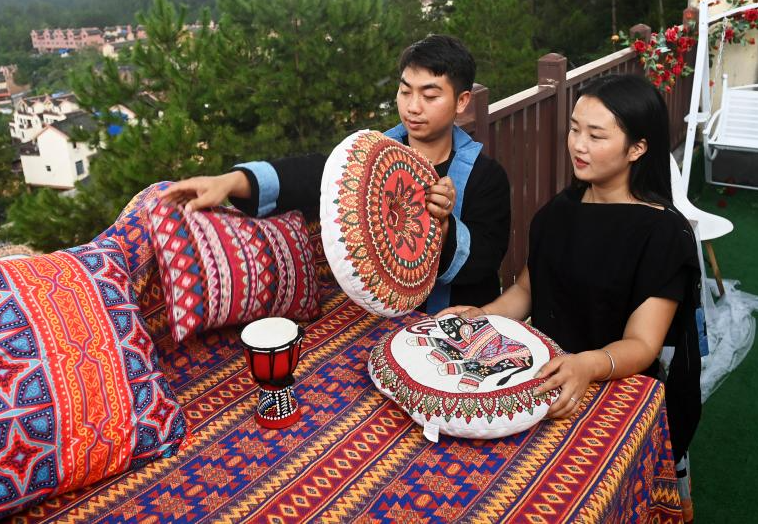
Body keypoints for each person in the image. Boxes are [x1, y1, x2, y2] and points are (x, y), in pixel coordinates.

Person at [440, 72, 701, 464]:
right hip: (545, 378)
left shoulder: (664, 234)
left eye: (596, 136)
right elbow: (528, 290)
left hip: (612, 385)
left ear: (637, 148)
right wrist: (484, 315)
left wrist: (587, 365)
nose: (579, 145)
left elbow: (643, 345)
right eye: (575, 129)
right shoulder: (558, 212)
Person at [160, 34, 511, 312]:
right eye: (405, 91)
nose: (412, 106)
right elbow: (319, 173)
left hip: (450, 322)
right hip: (379, 319)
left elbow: (485, 261)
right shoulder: (375, 155)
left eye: (429, 95)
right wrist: (230, 182)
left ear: (462, 102)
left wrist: (444, 225)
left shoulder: (485, 176)